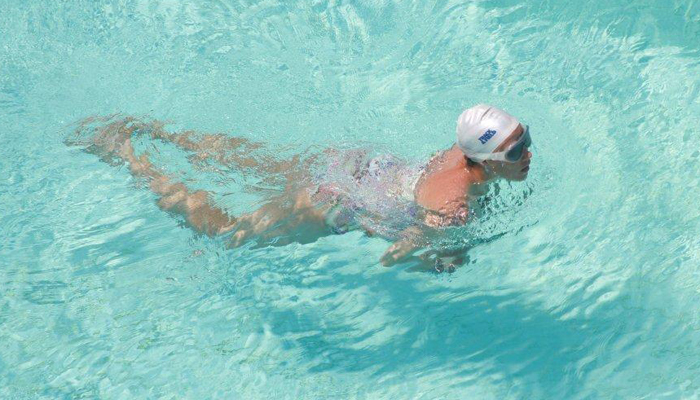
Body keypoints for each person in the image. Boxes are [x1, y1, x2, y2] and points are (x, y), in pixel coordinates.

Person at [68, 104, 532, 271]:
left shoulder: (461, 151)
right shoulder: (453, 203)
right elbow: (399, 255)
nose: (527, 155)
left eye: (525, 140)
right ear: (483, 159)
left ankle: (156, 130)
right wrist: (440, 260)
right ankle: (126, 155)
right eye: (514, 151)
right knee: (228, 234)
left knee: (250, 162)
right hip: (335, 203)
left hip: (358, 165)